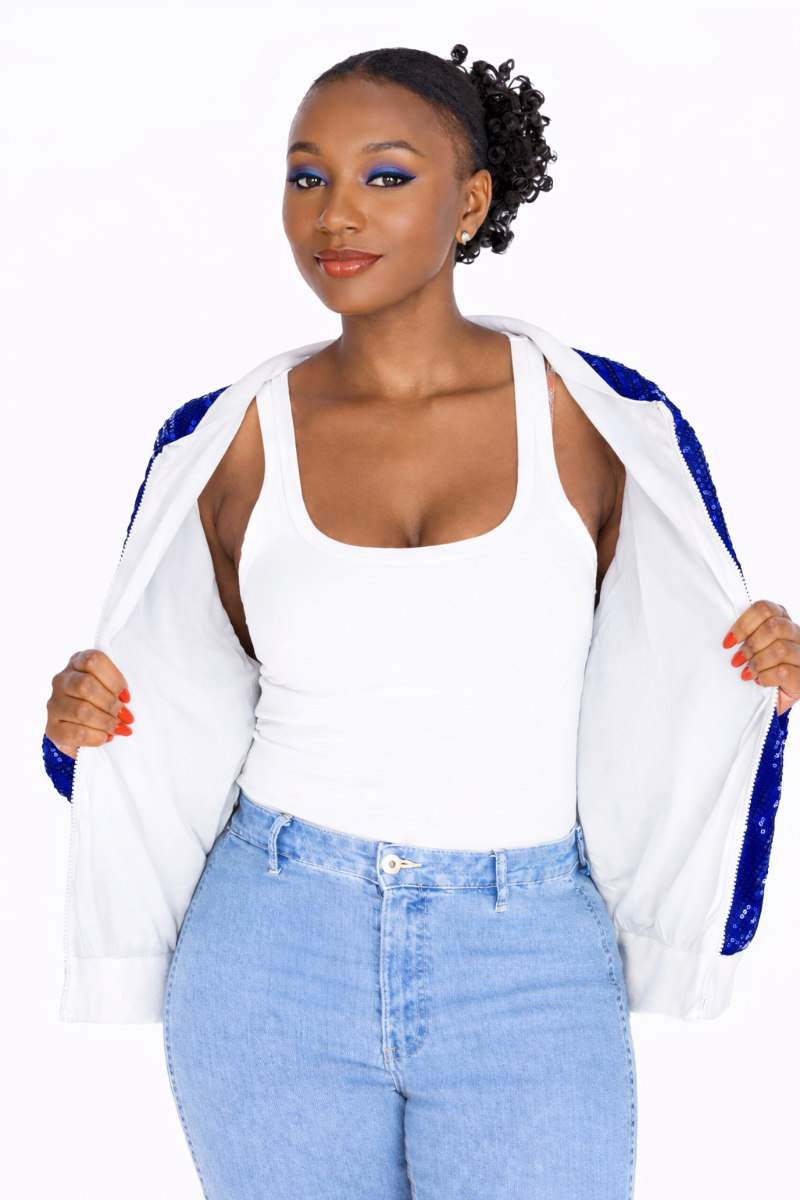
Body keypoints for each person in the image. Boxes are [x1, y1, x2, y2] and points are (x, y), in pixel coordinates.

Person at [42, 46, 797, 1200]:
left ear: (471, 201)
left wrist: (759, 668)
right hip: (269, 946)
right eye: (306, 176)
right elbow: (173, 697)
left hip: (527, 954)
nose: (334, 214)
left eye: (385, 176)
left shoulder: (599, 423)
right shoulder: (225, 441)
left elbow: (678, 657)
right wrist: (83, 722)